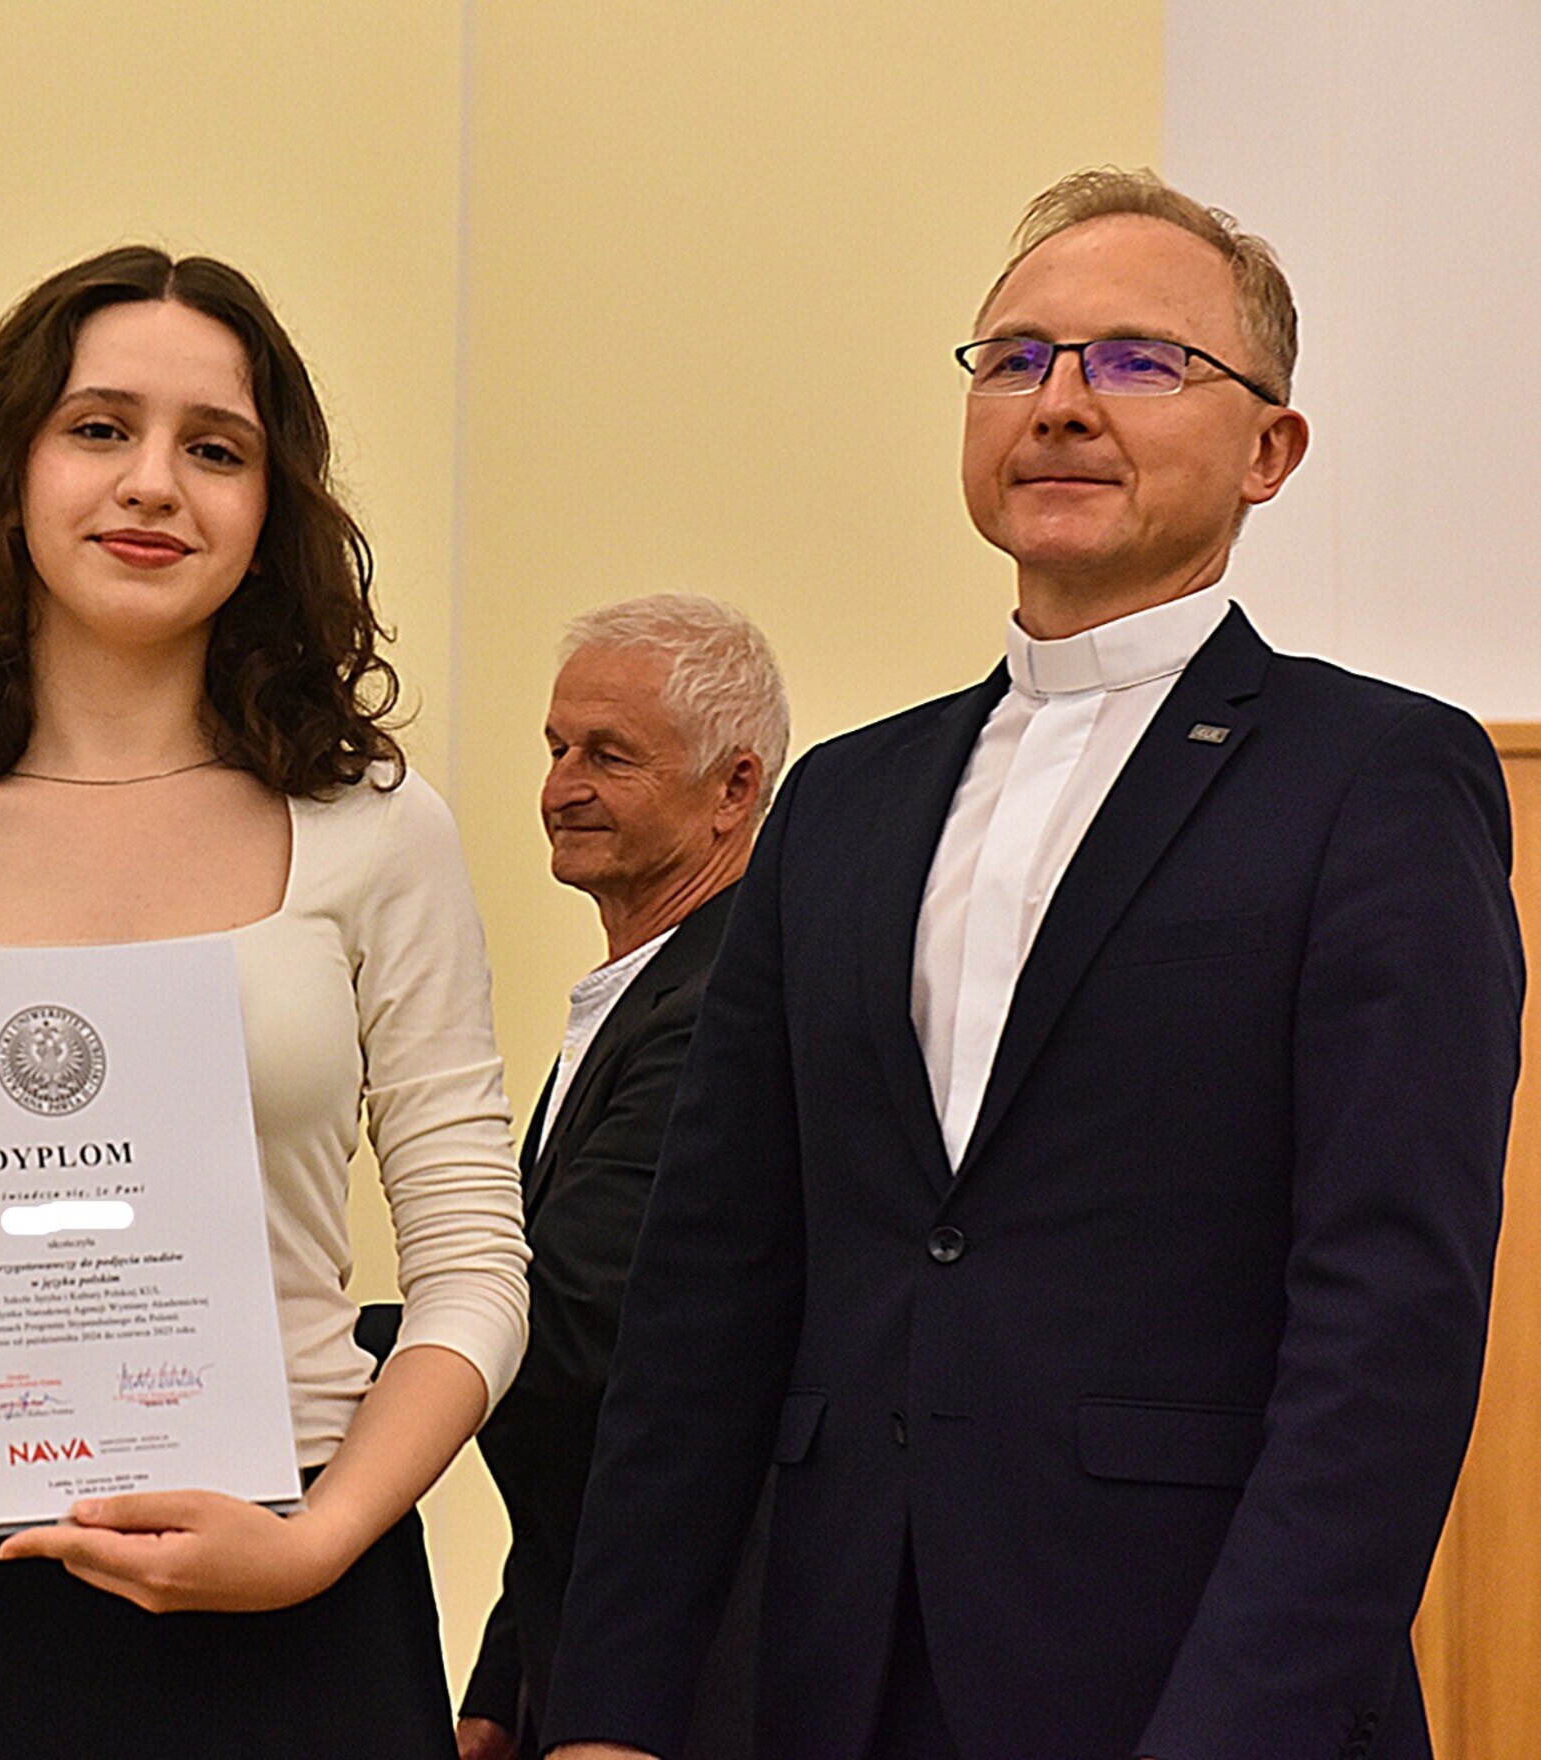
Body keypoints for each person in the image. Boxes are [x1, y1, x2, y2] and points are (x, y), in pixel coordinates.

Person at [541, 169, 1523, 1760]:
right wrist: (612, 1707)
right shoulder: (843, 802)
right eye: (1015, 359)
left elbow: (1388, 1319)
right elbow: (708, 1287)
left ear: (1270, 449)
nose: (1061, 401)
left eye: (1141, 360)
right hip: (830, 1678)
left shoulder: (1374, 779)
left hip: (1188, 1680)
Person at [0, 246, 529, 1759]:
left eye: (217, 449)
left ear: (269, 515)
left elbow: (474, 1269)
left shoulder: (376, 832)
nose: (154, 482)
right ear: (6, 474)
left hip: (300, 1595)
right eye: (98, 428)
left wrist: (321, 1539)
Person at [456, 596, 787, 1760]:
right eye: (555, 747)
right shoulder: (649, 987)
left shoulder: (720, 1009)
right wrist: (505, 1673)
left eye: (609, 754)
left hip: (678, 1683)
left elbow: (580, 1333)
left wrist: (296, 1351)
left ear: (734, 788)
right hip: (584, 1648)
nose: (561, 786)